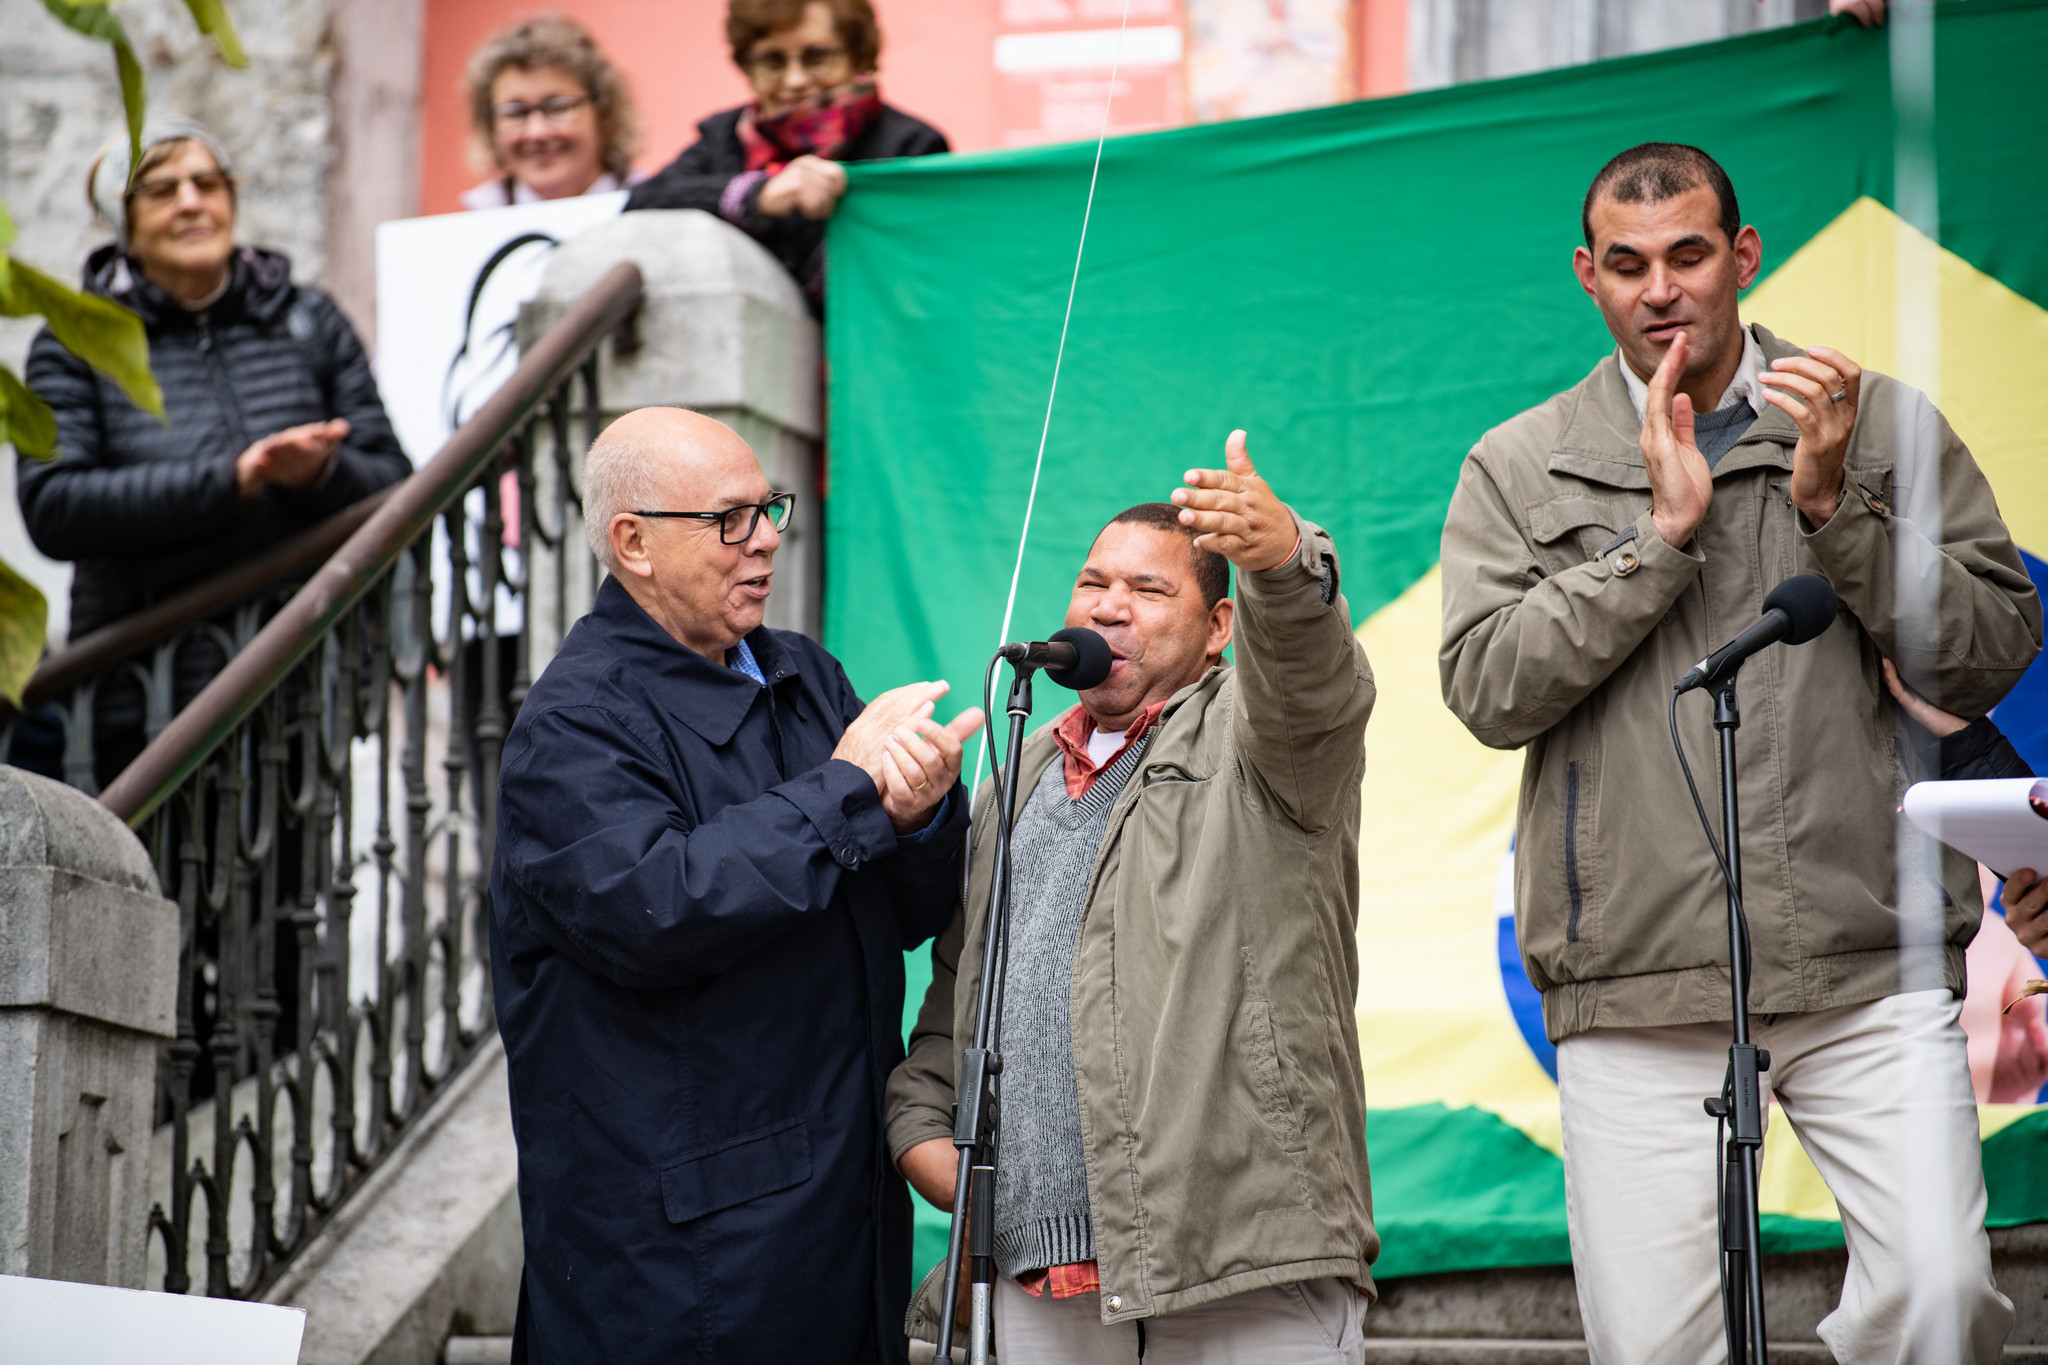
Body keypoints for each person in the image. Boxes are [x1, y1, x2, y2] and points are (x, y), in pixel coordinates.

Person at [1438, 142, 2041, 1362]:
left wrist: (1834, 510)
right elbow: (1486, 686)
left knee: (1939, 1300)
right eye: (1626, 265)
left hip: (1864, 962)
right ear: (1587, 278)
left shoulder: (1875, 427)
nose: (1659, 289)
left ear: (1740, 258)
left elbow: (1985, 648)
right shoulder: (1520, 459)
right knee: (1651, 1349)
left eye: (1687, 256)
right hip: (1633, 979)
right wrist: (1653, 546)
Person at [489, 407, 982, 1363]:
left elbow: (915, 912)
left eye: (770, 509)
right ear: (633, 541)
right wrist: (846, 790)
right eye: (730, 519)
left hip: (845, 1209)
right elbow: (658, 907)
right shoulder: (573, 724)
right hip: (687, 1255)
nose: (765, 539)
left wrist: (918, 815)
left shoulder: (803, 674)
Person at [888, 434, 1378, 1359]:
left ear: (1218, 628)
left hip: (1239, 1264)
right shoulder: (1016, 771)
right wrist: (924, 1132)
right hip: (1035, 1275)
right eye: (1092, 583)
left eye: (1150, 592)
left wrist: (1282, 563)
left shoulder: (1259, 737)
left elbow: (1315, 683)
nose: (1110, 606)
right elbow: (961, 995)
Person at [16, 122, 408, 783]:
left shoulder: (309, 319)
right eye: (161, 190)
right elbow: (55, 506)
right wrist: (233, 482)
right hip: (148, 705)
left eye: (207, 182)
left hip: (305, 688)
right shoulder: (76, 343)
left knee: (292, 888)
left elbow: (395, 480)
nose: (191, 202)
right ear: (123, 222)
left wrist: (321, 473)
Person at [625, 0, 947, 309]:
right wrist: (756, 195)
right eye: (773, 61)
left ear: (858, 56)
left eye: (817, 57)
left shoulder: (911, 146)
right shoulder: (724, 135)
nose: (795, 81)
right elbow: (641, 203)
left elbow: (920, 278)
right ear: (747, 67)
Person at [459, 14, 642, 209]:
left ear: (603, 112)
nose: (536, 132)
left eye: (558, 108)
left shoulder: (656, 211)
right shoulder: (470, 228)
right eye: (515, 113)